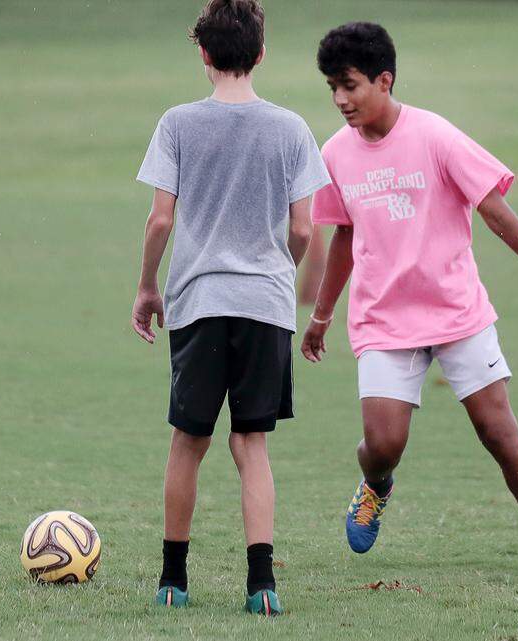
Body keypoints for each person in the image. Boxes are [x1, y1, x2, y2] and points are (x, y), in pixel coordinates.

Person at [302, 22, 518, 579]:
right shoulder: (336, 154)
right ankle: (375, 485)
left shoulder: (436, 136)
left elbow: (496, 213)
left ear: (384, 80)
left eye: (349, 85)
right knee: (383, 443)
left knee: (499, 433)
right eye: (331, 88)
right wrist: (321, 316)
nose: (341, 100)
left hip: (455, 311)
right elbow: (343, 238)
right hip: (382, 318)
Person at [130, 0, 330, 614]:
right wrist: (275, 270)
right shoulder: (292, 128)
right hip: (266, 305)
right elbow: (303, 231)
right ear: (261, 54)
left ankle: (172, 582)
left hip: (198, 302)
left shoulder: (178, 123)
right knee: (252, 446)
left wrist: (146, 286)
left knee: (189, 441)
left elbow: (161, 218)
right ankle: (262, 585)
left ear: (204, 55)